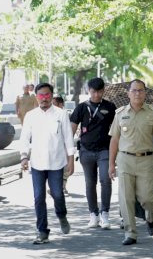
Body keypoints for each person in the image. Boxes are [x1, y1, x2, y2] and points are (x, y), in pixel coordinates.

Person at [108, 79, 153, 246]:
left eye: (140, 90)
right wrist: (111, 164)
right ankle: (130, 233)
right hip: (125, 159)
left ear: (145, 93)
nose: (137, 93)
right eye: (134, 90)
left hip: (147, 160)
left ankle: (150, 215)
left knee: (146, 197)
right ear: (128, 93)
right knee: (126, 198)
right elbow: (114, 140)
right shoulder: (120, 114)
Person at [19, 83, 75, 245]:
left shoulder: (61, 114)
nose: (44, 98)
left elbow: (67, 138)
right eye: (41, 95)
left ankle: (61, 214)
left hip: (57, 163)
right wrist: (24, 157)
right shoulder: (30, 115)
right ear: (37, 97)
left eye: (47, 95)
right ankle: (42, 231)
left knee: (57, 194)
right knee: (38, 198)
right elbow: (24, 138)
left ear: (51, 96)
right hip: (37, 163)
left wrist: (71, 160)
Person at [70, 77, 116, 229]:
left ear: (104, 91)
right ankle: (93, 214)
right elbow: (71, 129)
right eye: (93, 91)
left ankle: (105, 214)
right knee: (90, 183)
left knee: (105, 180)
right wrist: (68, 149)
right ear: (88, 91)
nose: (96, 95)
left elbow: (116, 129)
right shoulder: (82, 107)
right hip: (86, 150)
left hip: (105, 150)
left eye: (100, 91)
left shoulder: (110, 107)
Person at [52, 95, 71, 196]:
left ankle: (62, 187)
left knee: (64, 168)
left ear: (61, 104)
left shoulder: (65, 114)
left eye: (54, 104)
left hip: (64, 145)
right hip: (53, 145)